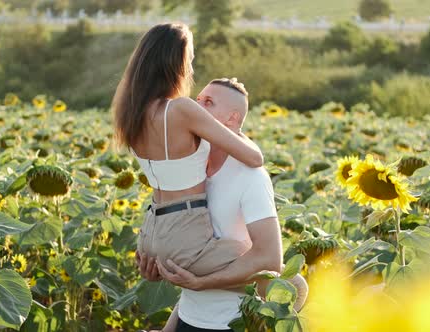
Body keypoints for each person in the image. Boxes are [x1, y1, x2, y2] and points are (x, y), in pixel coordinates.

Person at [112, 21, 267, 309]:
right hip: (185, 232)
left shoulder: (131, 113)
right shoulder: (181, 109)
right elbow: (254, 158)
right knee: (288, 283)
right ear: (177, 63)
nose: (191, 69)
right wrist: (233, 125)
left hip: (151, 234)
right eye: (190, 60)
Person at [137, 78, 309, 332]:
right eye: (198, 101)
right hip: (186, 319)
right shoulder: (190, 170)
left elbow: (269, 259)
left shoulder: (250, 176)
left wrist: (202, 282)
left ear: (232, 119)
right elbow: (196, 255)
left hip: (229, 323)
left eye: (208, 103)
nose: (196, 108)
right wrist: (161, 267)